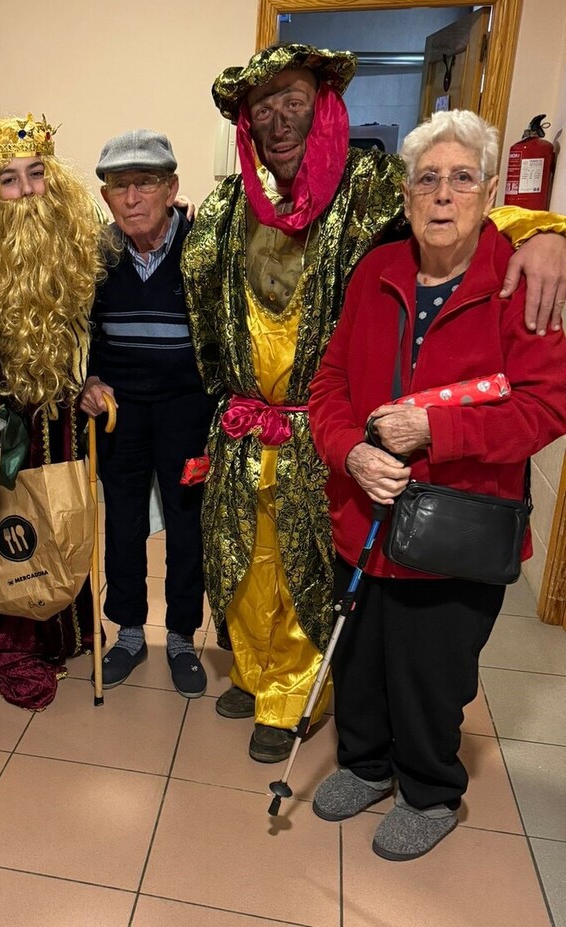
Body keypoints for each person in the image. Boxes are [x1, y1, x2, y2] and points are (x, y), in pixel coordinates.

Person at [182, 43, 566, 764]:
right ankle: (259, 673)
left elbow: (454, 209)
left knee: (306, 564)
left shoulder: (370, 187)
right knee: (246, 558)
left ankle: (295, 693)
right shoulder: (230, 205)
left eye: (292, 98)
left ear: (322, 102)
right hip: (245, 424)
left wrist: (547, 234)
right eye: (262, 108)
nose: (278, 118)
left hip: (318, 428)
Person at [307, 110, 566, 860]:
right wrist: (351, 450)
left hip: (458, 528)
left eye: (460, 179)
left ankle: (429, 788)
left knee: (429, 666)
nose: (443, 195)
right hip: (365, 511)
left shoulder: (517, 281)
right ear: (407, 193)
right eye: (427, 179)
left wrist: (438, 435)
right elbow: (329, 382)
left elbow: (547, 404)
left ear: (490, 192)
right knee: (359, 652)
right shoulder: (375, 272)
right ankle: (364, 760)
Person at [0, 114, 106, 709]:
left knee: (63, 513)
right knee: (7, 525)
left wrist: (95, 378)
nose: (25, 192)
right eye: (9, 180)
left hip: (65, 411)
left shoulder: (82, 246)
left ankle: (65, 626)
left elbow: (108, 328)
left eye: (36, 175)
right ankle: (11, 636)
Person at [79, 129, 217, 697]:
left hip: (188, 408)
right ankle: (130, 633)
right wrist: (84, 379)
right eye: (118, 186)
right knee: (125, 523)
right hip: (120, 409)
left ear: (171, 188)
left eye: (146, 183)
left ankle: (182, 637)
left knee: (187, 525)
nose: (132, 197)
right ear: (106, 196)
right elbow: (77, 334)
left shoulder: (204, 246)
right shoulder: (97, 254)